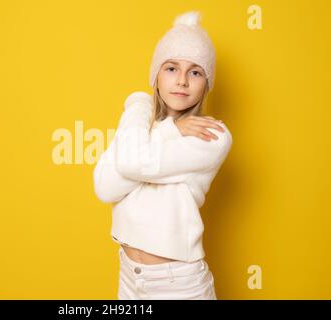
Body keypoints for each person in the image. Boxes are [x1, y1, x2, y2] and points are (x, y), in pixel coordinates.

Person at [93, 11, 233, 300]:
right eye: (171, 68)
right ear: (155, 75)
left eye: (195, 72)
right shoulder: (142, 130)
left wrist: (136, 100)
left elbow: (132, 162)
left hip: (178, 286)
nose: (181, 81)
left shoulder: (212, 135)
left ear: (206, 83)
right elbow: (105, 188)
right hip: (130, 279)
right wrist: (157, 119)